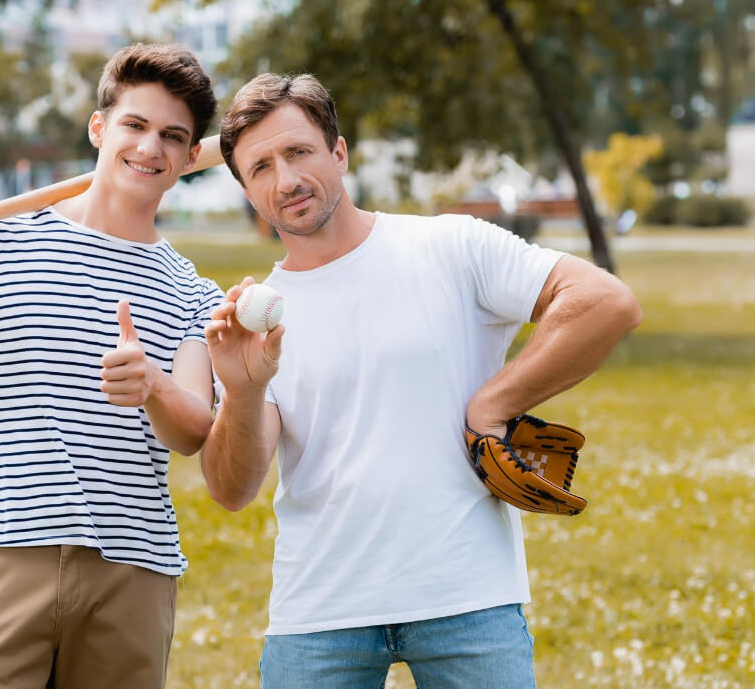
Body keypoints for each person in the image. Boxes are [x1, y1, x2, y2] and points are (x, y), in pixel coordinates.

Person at [200, 73, 643, 689]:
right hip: (320, 612)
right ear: (248, 191)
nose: (287, 180)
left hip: (468, 599)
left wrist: (494, 403)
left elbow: (605, 302)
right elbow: (231, 489)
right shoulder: (259, 322)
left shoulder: (449, 246)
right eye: (261, 168)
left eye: (298, 152)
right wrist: (244, 391)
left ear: (338, 152)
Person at [0, 43, 223, 689]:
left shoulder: (191, 292)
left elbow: (194, 431)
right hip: (4, 555)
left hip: (132, 573)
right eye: (135, 125)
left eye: (172, 136)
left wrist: (153, 386)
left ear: (192, 157)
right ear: (99, 127)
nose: (150, 147)